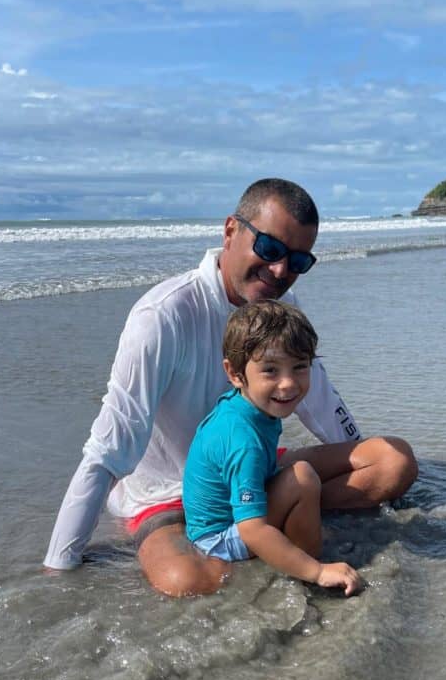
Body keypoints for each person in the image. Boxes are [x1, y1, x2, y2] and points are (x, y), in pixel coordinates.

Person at [44, 178, 417, 595]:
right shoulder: (163, 316)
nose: (280, 272)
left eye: (298, 261)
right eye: (271, 250)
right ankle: (270, 534)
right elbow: (109, 448)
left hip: (253, 467)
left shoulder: (280, 308)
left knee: (393, 462)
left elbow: (319, 398)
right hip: (169, 495)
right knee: (188, 582)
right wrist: (61, 564)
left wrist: (357, 457)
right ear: (230, 231)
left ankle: (268, 530)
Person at [184, 299, 362, 596]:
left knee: (300, 476)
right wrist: (317, 571)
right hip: (219, 539)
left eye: (300, 367)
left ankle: (295, 544)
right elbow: (251, 530)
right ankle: (307, 563)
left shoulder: (246, 404)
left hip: (226, 517)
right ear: (235, 373)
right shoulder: (242, 440)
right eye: (270, 370)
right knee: (302, 478)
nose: (288, 384)